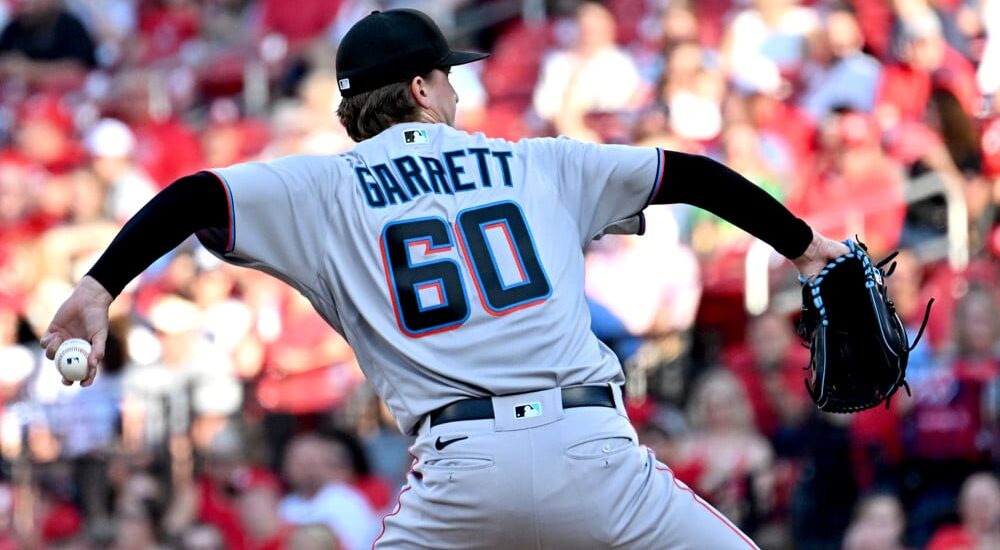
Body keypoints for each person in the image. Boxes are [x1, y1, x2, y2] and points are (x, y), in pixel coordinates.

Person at [40, 8, 849, 549]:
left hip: (460, 475)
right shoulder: (536, 162)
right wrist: (805, 246)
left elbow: (195, 195)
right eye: (448, 76)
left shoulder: (323, 188)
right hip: (594, 453)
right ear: (423, 88)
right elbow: (692, 174)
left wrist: (99, 287)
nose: (458, 89)